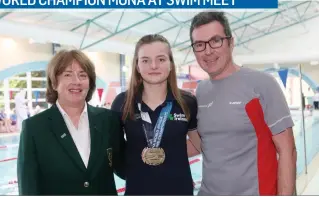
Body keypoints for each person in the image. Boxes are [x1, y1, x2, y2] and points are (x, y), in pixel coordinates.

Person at [190, 11, 297, 195]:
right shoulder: (200, 92)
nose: (208, 51)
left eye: (216, 41)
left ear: (231, 43)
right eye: (200, 44)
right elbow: (203, 145)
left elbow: (287, 150)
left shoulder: (262, 84)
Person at [17, 49, 125, 195]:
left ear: (90, 82)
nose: (76, 81)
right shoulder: (35, 128)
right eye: (67, 75)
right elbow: (29, 188)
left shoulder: (109, 120)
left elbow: (125, 168)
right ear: (54, 83)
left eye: (83, 75)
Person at [111, 34, 201, 195]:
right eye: (145, 60)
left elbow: (200, 145)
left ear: (171, 64)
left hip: (179, 190)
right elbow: (114, 150)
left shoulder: (187, 102)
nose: (153, 66)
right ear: (137, 66)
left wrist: (174, 154)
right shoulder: (122, 102)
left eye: (161, 59)